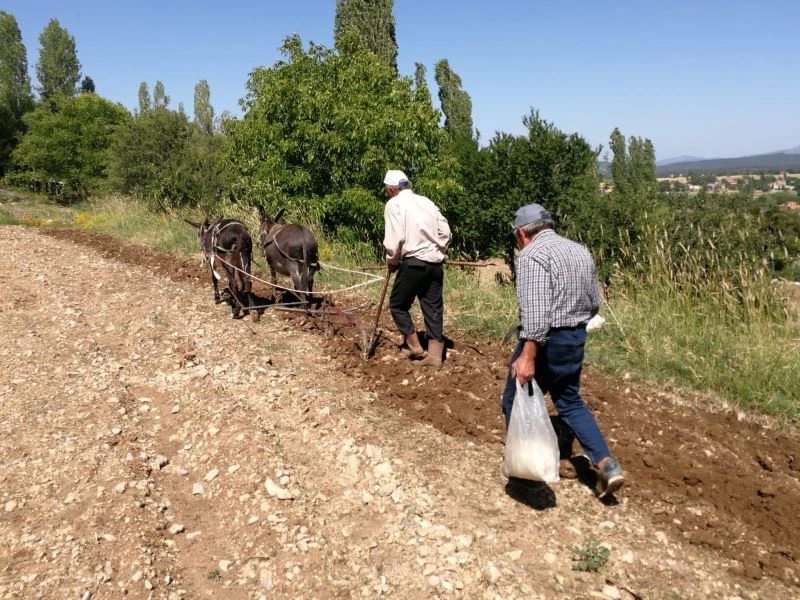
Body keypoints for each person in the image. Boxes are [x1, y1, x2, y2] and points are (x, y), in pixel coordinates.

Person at [501, 203, 624, 498]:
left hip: (546, 342)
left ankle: (528, 472)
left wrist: (528, 355)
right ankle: (606, 464)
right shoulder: (579, 250)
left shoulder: (531, 256)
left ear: (522, 234)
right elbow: (594, 302)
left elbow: (537, 314)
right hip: (575, 338)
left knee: (514, 399)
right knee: (569, 400)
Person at [382, 169, 451, 369]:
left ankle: (414, 346)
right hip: (435, 264)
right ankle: (435, 356)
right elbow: (445, 232)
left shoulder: (394, 204)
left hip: (413, 263)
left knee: (397, 304)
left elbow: (395, 240)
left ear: (392, 190)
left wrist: (392, 260)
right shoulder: (426, 201)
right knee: (433, 307)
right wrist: (437, 249)